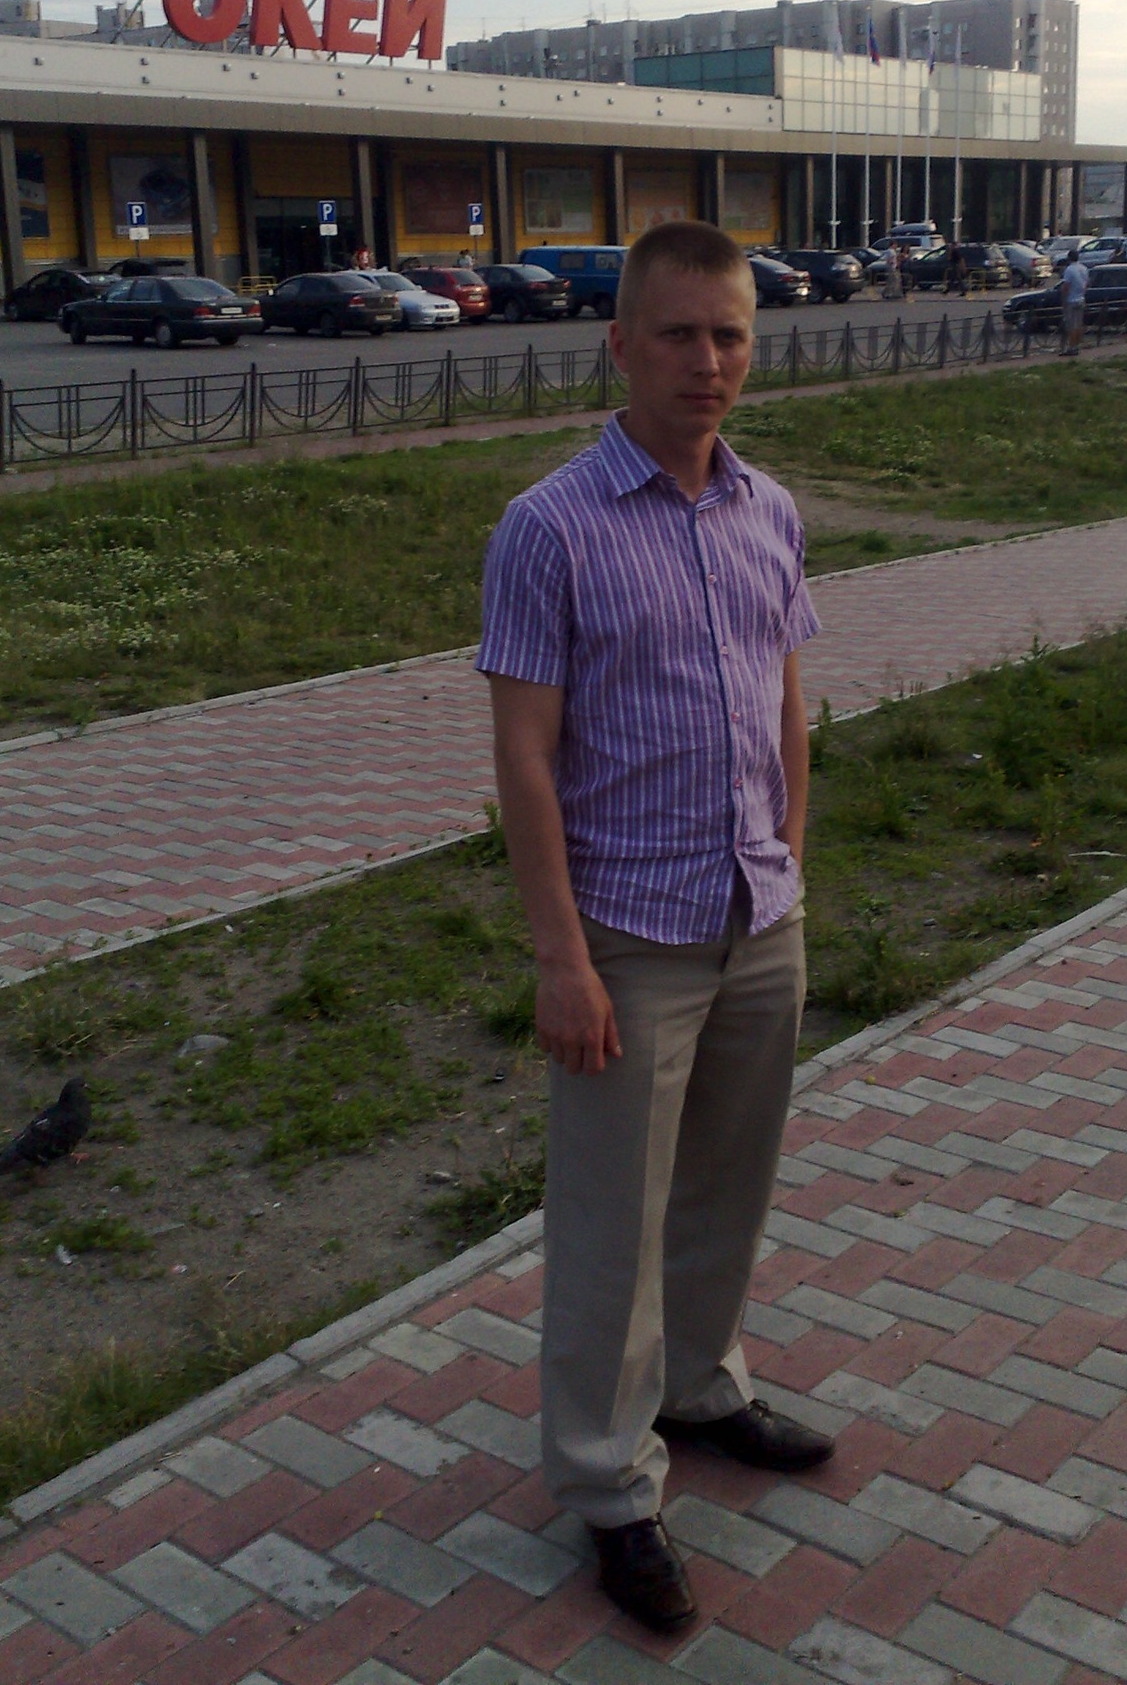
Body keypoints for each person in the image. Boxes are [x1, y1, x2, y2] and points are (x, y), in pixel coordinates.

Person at [478, 219, 829, 1635]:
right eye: (679, 333)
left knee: (728, 1185)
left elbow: (786, 693)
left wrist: (789, 857)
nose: (708, 361)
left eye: (730, 333)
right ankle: (609, 1483)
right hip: (627, 932)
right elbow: (524, 757)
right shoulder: (549, 527)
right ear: (619, 343)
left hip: (756, 910)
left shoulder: (768, 508)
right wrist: (561, 957)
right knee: (611, 1227)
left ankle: (698, 1386)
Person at [1060, 251, 1088, 356]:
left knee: (1071, 326)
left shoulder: (1069, 269)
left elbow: (1066, 286)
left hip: (1071, 300)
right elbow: (1086, 283)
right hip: (1081, 298)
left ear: (1069, 258)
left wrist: (1063, 298)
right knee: (1078, 324)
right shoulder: (1084, 268)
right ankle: (1076, 346)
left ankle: (1071, 348)